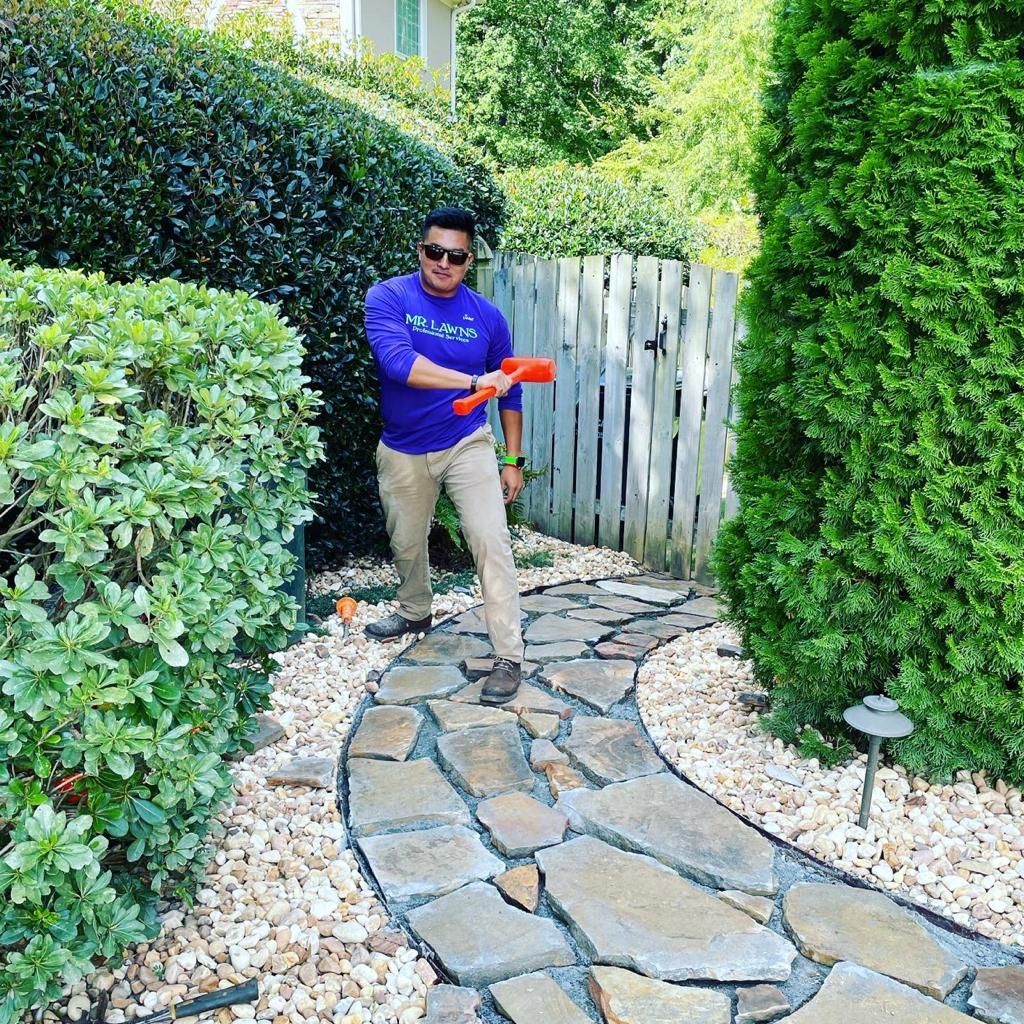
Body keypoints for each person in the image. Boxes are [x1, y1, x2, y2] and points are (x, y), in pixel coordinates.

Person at [362, 207, 526, 704]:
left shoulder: (487, 316)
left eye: (455, 256)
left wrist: (512, 459)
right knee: (406, 543)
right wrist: (475, 380)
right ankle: (415, 612)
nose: (443, 263)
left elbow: (511, 390)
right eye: (435, 252)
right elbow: (398, 364)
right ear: (421, 251)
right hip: (403, 446)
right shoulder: (389, 296)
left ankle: (508, 656)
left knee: (490, 540)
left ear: (468, 260)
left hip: (466, 441)